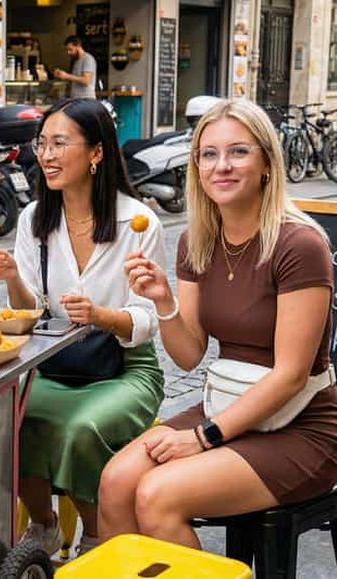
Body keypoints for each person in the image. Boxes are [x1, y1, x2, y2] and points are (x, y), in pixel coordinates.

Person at [99, 99, 337, 549]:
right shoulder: (197, 241)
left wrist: (204, 437)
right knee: (116, 480)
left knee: (157, 495)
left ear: (267, 161)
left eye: (238, 152)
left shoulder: (300, 244)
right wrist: (164, 301)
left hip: (303, 424)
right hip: (227, 400)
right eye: (209, 154)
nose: (221, 166)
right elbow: (189, 356)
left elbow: (290, 377)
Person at [0, 98, 165, 555]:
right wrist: (12, 280)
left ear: (97, 152)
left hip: (125, 367)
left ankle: (97, 536)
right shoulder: (34, 219)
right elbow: (28, 313)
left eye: (59, 143)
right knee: (6, 419)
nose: (46, 155)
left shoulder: (138, 222)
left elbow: (147, 320)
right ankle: (43, 527)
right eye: (41, 144)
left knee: (81, 429)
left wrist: (100, 316)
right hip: (56, 360)